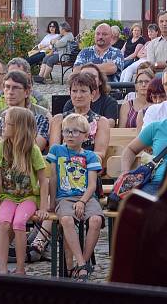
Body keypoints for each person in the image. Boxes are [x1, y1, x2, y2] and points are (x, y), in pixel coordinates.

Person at [0, 107, 49, 275]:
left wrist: (43, 208)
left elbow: (43, 181)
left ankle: (21, 269)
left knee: (18, 223)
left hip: (28, 197)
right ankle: (2, 268)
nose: (3, 126)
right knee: (3, 223)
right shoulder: (1, 147)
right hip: (7, 196)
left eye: (7, 124)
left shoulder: (32, 149)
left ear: (19, 127)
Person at [47, 113, 104, 282]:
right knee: (66, 220)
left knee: (96, 220)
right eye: (66, 131)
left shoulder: (90, 156)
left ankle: (82, 263)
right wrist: (52, 203)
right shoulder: (56, 150)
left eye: (75, 132)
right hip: (64, 198)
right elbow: (53, 178)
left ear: (86, 135)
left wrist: (82, 201)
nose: (70, 135)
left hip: (86, 196)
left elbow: (92, 185)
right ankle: (81, 265)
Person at [50, 72, 110, 161]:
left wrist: (77, 159)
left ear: (92, 94)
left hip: (89, 167)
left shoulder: (101, 122)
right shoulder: (59, 119)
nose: (78, 96)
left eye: (83, 91)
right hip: (62, 166)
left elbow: (100, 153)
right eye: (74, 91)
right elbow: (54, 150)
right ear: (70, 93)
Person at [0, 71, 51, 146]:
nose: (10, 92)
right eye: (7, 87)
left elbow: (37, 145)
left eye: (16, 88)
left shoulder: (41, 115)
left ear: (27, 92)